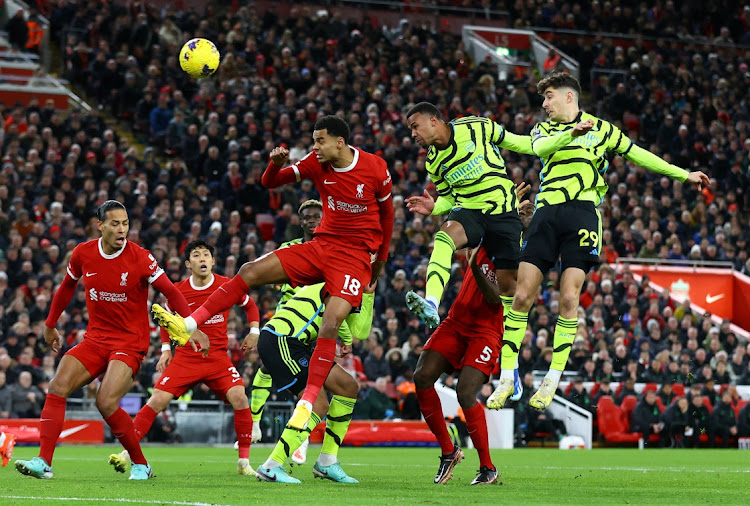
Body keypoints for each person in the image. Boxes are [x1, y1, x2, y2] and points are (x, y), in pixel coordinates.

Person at [152, 116, 393, 433]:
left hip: (353, 258)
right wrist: (273, 164)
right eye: (313, 140)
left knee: (332, 321)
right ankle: (190, 323)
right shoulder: (315, 163)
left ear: (340, 142)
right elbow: (270, 183)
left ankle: (308, 401)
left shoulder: (375, 168)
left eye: (320, 140)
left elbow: (388, 218)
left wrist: (379, 263)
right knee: (249, 270)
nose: (314, 146)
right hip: (322, 248)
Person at [488, 71, 709, 410]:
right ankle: (506, 379)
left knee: (569, 296)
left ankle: (551, 380)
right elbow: (538, 148)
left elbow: (639, 155)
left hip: (583, 214)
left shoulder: (603, 130)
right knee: (521, 295)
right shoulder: (545, 130)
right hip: (546, 214)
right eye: (543, 98)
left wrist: (683, 173)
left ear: (568, 97)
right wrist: (570, 134)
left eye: (549, 97)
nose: (544, 104)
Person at [14, 200, 209, 481]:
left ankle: (141, 464)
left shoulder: (141, 257)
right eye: (115, 224)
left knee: (105, 402)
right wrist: (50, 324)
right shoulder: (83, 253)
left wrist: (192, 326)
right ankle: (44, 462)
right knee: (57, 387)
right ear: (100, 226)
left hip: (130, 342)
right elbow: (67, 286)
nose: (122, 230)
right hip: (96, 339)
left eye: (126, 224)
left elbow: (172, 292)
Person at [412, 183, 533, 486]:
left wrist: (474, 266)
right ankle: (448, 451)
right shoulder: (487, 232)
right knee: (422, 376)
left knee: (466, 392)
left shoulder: (518, 258)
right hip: (456, 320)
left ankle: (488, 468)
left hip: (486, 329)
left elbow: (496, 299)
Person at [108, 240, 260, 476]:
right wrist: (166, 349)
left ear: (212, 261)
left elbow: (250, 306)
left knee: (240, 398)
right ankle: (127, 454)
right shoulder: (178, 290)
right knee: (156, 400)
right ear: (188, 264)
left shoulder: (226, 285)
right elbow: (164, 320)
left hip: (217, 358)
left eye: (206, 255)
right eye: (197, 255)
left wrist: (254, 331)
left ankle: (244, 463)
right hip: (187, 357)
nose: (202, 259)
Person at [403, 102, 535, 328]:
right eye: (410, 130)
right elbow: (449, 198)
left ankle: (506, 348)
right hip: (471, 212)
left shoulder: (474, 127)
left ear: (433, 120)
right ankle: (432, 303)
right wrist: (434, 207)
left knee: (511, 292)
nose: (413, 134)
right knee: (443, 239)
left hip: (501, 217)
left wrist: (557, 143)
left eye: (415, 126)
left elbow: (516, 141)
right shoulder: (433, 161)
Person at [254, 280, 376, 484]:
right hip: (282, 339)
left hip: (300, 344)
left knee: (348, 387)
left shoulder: (350, 285)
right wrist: (367, 299)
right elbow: (353, 327)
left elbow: (351, 326)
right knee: (318, 405)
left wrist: (368, 296)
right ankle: (271, 465)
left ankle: (327, 462)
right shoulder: (341, 280)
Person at [250, 200, 323, 440]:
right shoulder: (289, 247)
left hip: (317, 320)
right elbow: (272, 274)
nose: (311, 221)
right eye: (307, 217)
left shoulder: (332, 248)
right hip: (288, 317)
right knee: (268, 365)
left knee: (319, 378)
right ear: (300, 221)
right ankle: (256, 424)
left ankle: (300, 433)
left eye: (316, 216)